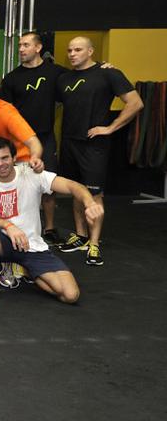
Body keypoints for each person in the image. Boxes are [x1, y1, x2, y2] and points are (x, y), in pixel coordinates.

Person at [0, 137, 102, 303]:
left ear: (14, 158)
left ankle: (25, 269)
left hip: (30, 245)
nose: (0, 164)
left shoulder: (31, 174)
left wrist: (89, 203)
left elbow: (73, 186)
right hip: (0, 242)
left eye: (5, 158)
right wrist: (8, 225)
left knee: (70, 295)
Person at [55, 36, 143, 265]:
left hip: (93, 145)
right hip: (69, 142)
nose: (72, 54)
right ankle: (81, 236)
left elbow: (135, 103)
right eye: (70, 50)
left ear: (90, 51)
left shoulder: (108, 73)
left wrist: (110, 128)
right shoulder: (64, 78)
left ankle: (94, 243)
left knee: (94, 195)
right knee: (76, 191)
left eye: (78, 50)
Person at [0, 32, 67, 246]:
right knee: (18, 184)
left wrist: (103, 67)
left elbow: (81, 77)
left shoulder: (55, 72)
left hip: (45, 137)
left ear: (38, 48)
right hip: (19, 139)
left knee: (48, 183)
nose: (21, 49)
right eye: (20, 45)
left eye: (26, 45)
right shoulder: (11, 78)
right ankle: (19, 227)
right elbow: (4, 111)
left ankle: (49, 227)